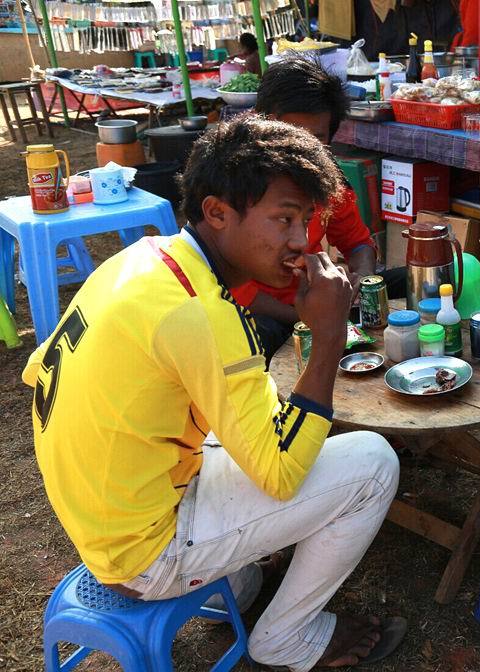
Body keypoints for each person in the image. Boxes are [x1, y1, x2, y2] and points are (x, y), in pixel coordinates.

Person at [22, 116, 405, 670]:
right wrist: (327, 335)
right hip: (144, 554)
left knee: (243, 428)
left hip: (105, 518)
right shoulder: (202, 311)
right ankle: (289, 640)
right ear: (218, 213)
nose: (301, 241)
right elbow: (280, 473)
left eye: (305, 221)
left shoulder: (142, 258)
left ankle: (237, 581)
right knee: (372, 463)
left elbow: (37, 369)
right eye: (284, 219)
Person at [230, 57, 378, 361]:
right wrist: (307, 316)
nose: (301, 147)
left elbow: (357, 242)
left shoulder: (326, 177)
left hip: (313, 300)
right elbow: (235, 289)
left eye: (316, 138)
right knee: (256, 338)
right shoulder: (236, 180)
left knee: (400, 284)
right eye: (291, 131)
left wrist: (361, 280)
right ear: (263, 121)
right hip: (260, 311)